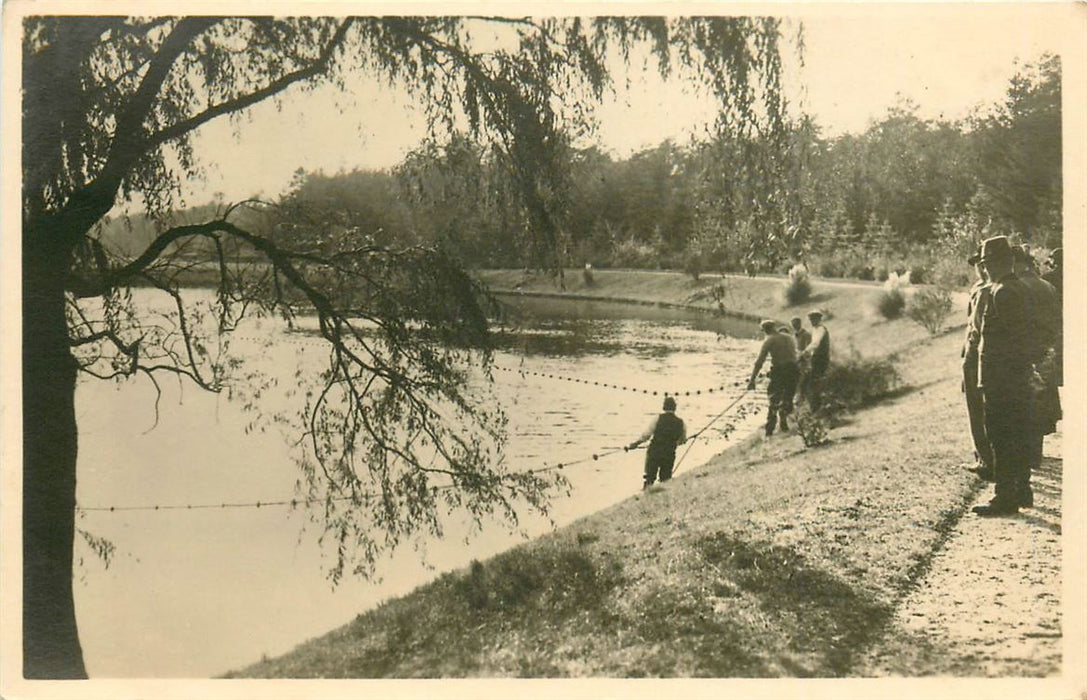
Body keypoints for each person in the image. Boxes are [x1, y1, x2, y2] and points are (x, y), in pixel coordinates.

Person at [973, 236, 1036, 516]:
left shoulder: (1003, 292)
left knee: (1001, 435)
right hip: (1011, 377)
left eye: (986, 264)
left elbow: (1015, 339)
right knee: (1016, 432)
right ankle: (1021, 490)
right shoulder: (1014, 288)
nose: (984, 269)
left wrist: (1012, 373)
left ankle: (1005, 496)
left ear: (996, 264)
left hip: (1002, 378)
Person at [1013, 245, 1061, 474]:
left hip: (1025, 352)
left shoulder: (1018, 287)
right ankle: (1035, 454)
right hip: (1046, 351)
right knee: (1040, 403)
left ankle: (1025, 458)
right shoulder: (1047, 286)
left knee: (1023, 404)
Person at [962, 245, 994, 480]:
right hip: (971, 355)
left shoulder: (988, 291)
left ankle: (987, 459)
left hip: (980, 356)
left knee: (981, 409)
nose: (979, 268)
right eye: (977, 264)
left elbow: (979, 331)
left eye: (982, 264)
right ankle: (982, 456)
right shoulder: (978, 289)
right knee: (975, 408)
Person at [747, 320, 800, 436]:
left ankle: (770, 429)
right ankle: (783, 419)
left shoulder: (769, 340)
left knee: (773, 398)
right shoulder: (789, 337)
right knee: (788, 396)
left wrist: (752, 380)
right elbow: (793, 354)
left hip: (780, 370)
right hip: (794, 370)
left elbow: (759, 362)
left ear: (765, 330)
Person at [628, 395, 687, 489]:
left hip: (654, 452)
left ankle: (646, 494)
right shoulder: (681, 423)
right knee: (666, 479)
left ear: (664, 407)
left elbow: (646, 435)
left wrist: (635, 444)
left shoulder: (657, 418)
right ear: (675, 408)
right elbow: (682, 440)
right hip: (669, 453)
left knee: (649, 478)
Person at [800, 310, 831, 410]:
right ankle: (814, 405)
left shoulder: (821, 329)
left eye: (814, 319)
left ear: (819, 319)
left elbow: (816, 343)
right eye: (811, 320)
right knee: (812, 380)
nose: (812, 321)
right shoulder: (815, 329)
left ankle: (817, 407)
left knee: (815, 381)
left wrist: (805, 352)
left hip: (821, 358)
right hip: (817, 357)